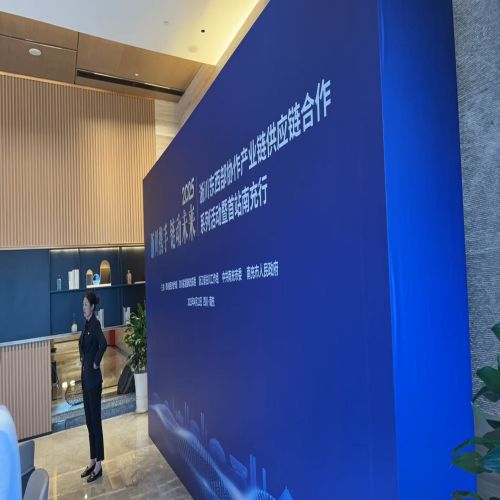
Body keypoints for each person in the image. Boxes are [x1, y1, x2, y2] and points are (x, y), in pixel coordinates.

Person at [79, 292, 107, 483]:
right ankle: (92, 459)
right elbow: (84, 346)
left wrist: (96, 362)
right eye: (83, 305)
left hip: (94, 381)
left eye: (86, 305)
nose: (83, 307)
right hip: (85, 379)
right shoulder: (87, 325)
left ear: (92, 307)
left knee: (96, 422)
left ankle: (99, 464)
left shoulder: (95, 325)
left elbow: (103, 344)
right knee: (89, 422)